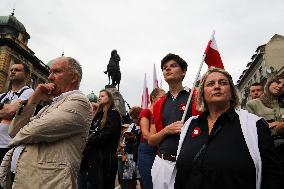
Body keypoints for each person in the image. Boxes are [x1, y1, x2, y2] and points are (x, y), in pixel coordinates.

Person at [174, 67, 283, 189]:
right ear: (202, 94)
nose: (217, 86)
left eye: (223, 83)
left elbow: (272, 174)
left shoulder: (254, 125)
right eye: (210, 84)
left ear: (231, 92)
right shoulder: (189, 125)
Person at [1, 57, 93, 189]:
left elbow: (32, 131)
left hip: (48, 181)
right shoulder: (50, 105)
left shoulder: (79, 102)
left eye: (56, 72)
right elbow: (13, 130)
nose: (50, 77)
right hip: (28, 178)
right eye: (50, 72)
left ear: (73, 77)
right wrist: (34, 99)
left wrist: (17, 139)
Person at [148, 53, 194, 189]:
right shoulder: (158, 104)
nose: (167, 69)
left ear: (184, 71)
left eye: (173, 66)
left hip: (190, 164)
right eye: (165, 67)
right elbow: (151, 140)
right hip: (163, 164)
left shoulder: (196, 97)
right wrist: (167, 130)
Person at [81, 89, 121, 189]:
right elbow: (90, 131)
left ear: (109, 98)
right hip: (91, 157)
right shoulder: (98, 115)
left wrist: (88, 140)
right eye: (99, 96)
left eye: (102, 96)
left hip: (104, 160)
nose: (99, 97)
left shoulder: (113, 114)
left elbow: (106, 135)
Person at [246, 74, 284, 173]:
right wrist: (276, 128)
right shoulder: (253, 104)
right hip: (268, 151)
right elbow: (252, 130)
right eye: (278, 82)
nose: (280, 86)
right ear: (269, 83)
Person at [0, 62, 34, 166]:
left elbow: (11, 112)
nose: (13, 71)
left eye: (17, 70)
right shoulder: (2, 95)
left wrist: (7, 109)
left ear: (27, 76)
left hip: (10, 146)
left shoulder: (29, 92)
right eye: (11, 70)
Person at [138, 88, 165, 189]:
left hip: (159, 149)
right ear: (153, 98)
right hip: (147, 151)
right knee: (149, 181)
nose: (164, 100)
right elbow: (145, 134)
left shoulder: (162, 113)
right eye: (162, 97)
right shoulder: (146, 112)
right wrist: (158, 140)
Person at [120, 106, 142, 189]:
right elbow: (126, 135)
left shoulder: (144, 125)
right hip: (130, 155)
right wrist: (127, 136)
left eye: (135, 118)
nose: (133, 120)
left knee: (141, 178)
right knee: (129, 180)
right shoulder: (132, 125)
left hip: (139, 155)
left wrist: (135, 137)